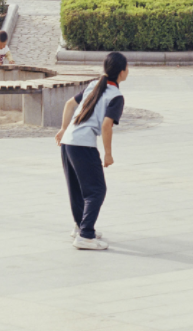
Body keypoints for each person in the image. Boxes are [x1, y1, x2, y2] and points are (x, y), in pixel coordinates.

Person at [55, 52, 129, 250]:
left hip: (68, 141)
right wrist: (108, 153)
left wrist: (63, 129)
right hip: (82, 144)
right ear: (122, 72)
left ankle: (80, 227)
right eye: (127, 68)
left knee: (78, 189)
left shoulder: (94, 86)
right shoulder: (116, 96)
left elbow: (69, 104)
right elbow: (106, 126)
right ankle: (86, 235)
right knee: (96, 190)